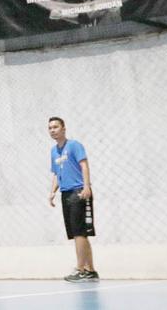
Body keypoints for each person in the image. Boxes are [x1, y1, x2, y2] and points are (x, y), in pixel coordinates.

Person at [48, 116, 98, 283]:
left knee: (79, 233)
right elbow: (56, 173)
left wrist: (86, 186)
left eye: (55, 127)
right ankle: (90, 270)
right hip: (65, 194)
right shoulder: (54, 151)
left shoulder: (74, 146)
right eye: (50, 128)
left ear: (63, 128)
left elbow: (84, 165)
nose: (52, 130)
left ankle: (81, 269)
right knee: (78, 234)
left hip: (78, 193)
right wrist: (52, 192)